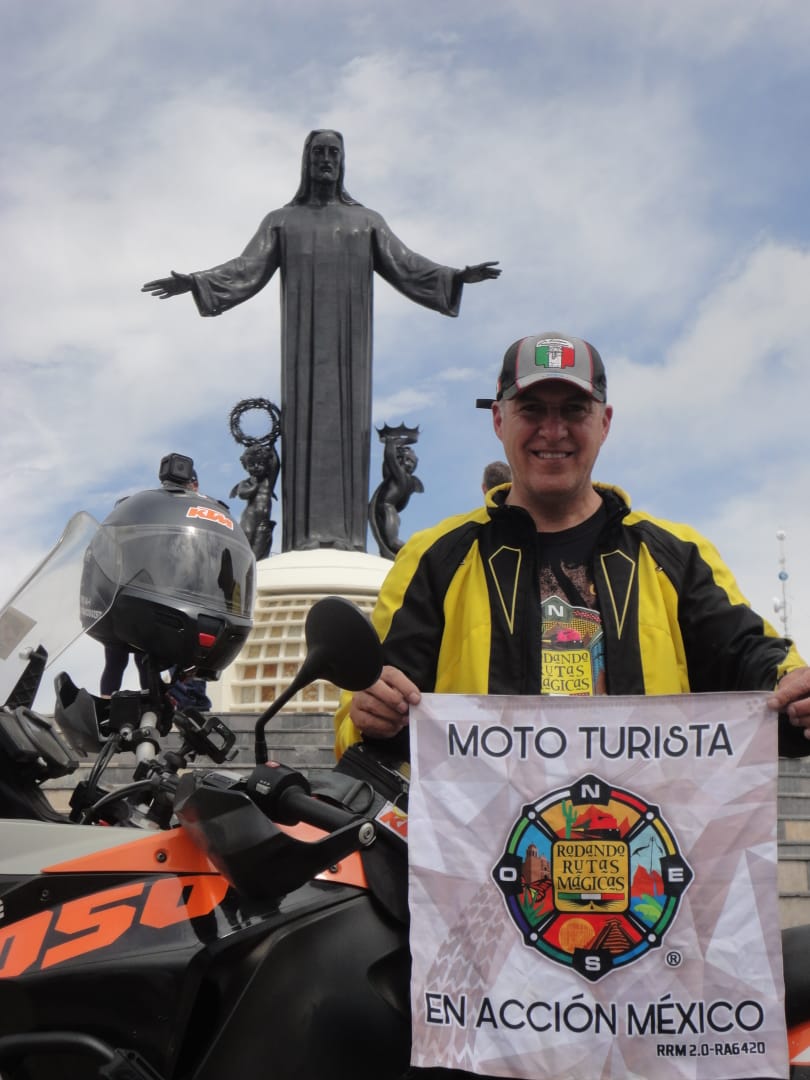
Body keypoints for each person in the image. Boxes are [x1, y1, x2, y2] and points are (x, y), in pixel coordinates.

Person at [335, 330, 810, 760]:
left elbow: (750, 657)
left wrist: (793, 687)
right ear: (499, 420)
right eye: (532, 409)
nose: (553, 430)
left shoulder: (677, 554)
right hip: (486, 853)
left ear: (604, 422)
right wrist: (369, 714)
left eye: (574, 410)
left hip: (644, 844)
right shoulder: (434, 556)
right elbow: (367, 705)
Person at [142, 129, 500, 553]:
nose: (326, 159)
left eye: (333, 152)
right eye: (318, 152)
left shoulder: (366, 222)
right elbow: (247, 268)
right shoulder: (282, 221)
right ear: (306, 161)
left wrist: (455, 277)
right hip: (302, 353)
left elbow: (408, 265)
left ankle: (347, 541)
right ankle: (302, 540)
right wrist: (198, 281)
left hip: (352, 355)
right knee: (305, 428)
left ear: (343, 161)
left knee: (348, 430)